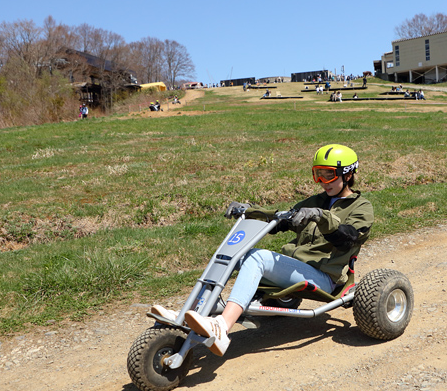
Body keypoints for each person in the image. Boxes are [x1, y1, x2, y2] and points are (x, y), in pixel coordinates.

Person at [151, 144, 373, 356]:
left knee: (258, 257)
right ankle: (192, 310)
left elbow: (347, 237)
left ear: (348, 174)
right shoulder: (318, 200)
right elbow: (282, 219)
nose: (323, 182)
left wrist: (320, 216)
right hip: (297, 268)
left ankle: (222, 327)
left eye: (329, 175)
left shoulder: (361, 207)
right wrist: (251, 211)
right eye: (318, 175)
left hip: (324, 277)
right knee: (232, 254)